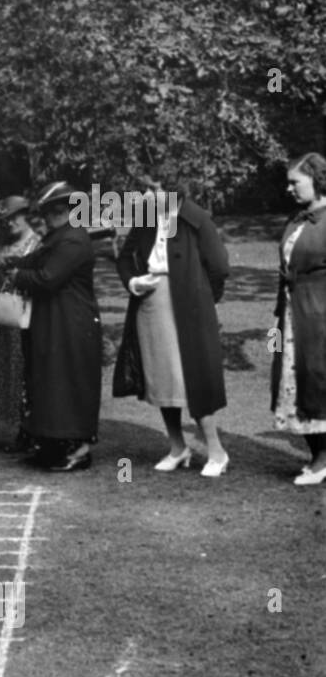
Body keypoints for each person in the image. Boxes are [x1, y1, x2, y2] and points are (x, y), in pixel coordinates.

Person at [113, 175, 231, 477]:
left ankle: (217, 452)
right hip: (151, 302)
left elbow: (219, 266)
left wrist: (206, 300)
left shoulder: (197, 219)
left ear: (172, 190)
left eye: (153, 190)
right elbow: (125, 258)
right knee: (160, 376)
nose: (146, 195)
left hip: (189, 304)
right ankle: (178, 448)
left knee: (192, 377)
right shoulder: (147, 217)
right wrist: (134, 282)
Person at [7, 181, 102, 471]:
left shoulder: (72, 240)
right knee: (51, 379)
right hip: (55, 320)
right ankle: (53, 442)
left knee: (68, 380)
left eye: (49, 212)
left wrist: (15, 276)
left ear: (61, 211)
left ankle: (77, 448)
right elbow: (32, 260)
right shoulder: (58, 237)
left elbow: (48, 278)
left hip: (70, 321)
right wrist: (7, 263)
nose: (45, 218)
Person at [271, 152, 326, 484]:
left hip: (319, 313)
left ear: (317, 180)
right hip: (294, 312)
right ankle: (315, 455)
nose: (289, 188)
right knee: (294, 378)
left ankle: (323, 459)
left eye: (296, 182)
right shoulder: (298, 218)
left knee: (318, 380)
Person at [0, 196, 42, 451]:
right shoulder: (4, 246)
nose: (8, 224)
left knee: (29, 369)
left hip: (30, 312)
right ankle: (22, 429)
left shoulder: (37, 243)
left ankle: (34, 429)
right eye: (4, 221)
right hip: (8, 311)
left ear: (26, 215)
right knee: (11, 369)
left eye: (12, 218)